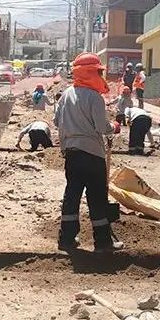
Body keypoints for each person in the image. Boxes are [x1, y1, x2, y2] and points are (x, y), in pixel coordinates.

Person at [54, 52, 124, 253]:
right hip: (92, 155)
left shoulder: (66, 95)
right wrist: (114, 126)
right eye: (99, 72)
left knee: (72, 195)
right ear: (90, 72)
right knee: (96, 198)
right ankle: (103, 242)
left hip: (71, 153)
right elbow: (102, 127)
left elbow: (56, 121)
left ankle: (66, 239)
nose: (101, 76)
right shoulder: (94, 98)